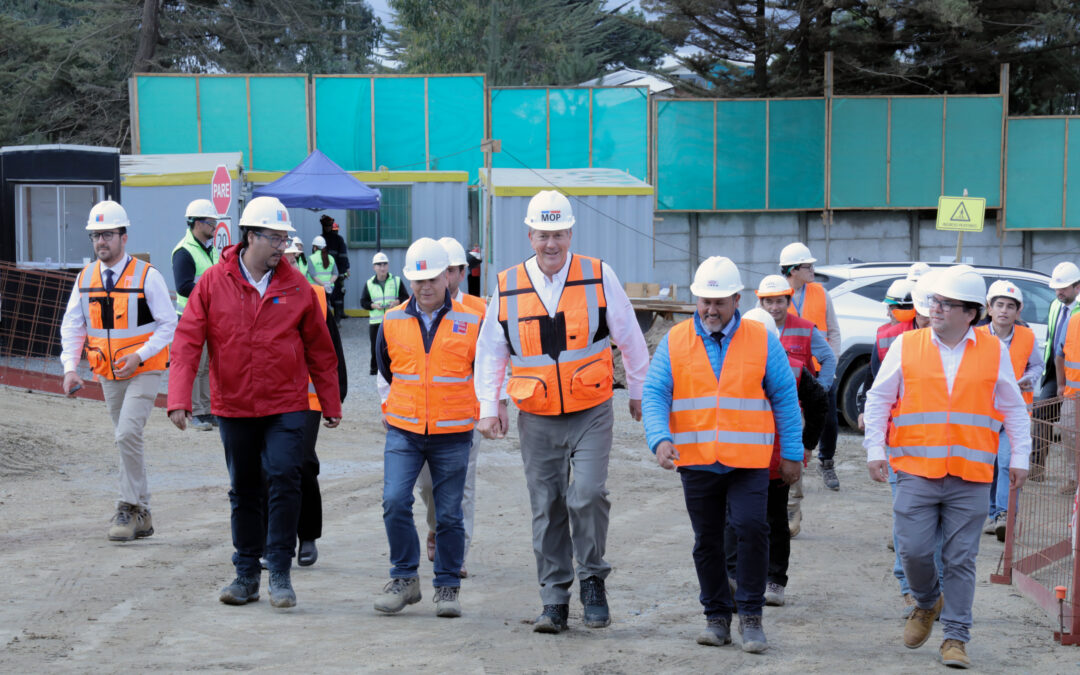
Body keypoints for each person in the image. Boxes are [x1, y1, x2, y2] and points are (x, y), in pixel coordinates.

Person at [474, 189, 650, 634]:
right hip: (536, 413)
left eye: (558, 233)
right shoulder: (507, 284)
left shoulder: (598, 275)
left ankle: (592, 578)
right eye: (542, 234)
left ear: (570, 232)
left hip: (591, 408)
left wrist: (639, 390)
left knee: (587, 494)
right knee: (547, 505)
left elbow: (628, 335)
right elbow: (491, 351)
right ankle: (554, 599)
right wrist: (489, 405)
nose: (550, 243)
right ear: (529, 234)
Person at [166, 196, 342, 610]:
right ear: (250, 236)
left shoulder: (297, 285)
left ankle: (279, 571)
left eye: (285, 239)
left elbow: (321, 349)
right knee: (244, 487)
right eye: (275, 238)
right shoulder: (212, 283)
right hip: (234, 404)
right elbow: (189, 341)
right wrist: (179, 398)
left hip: (286, 403)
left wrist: (330, 402)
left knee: (285, 475)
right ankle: (246, 574)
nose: (282, 247)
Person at [864, 265, 1031, 669]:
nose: (935, 309)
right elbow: (879, 398)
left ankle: (956, 637)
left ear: (971, 313)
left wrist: (1021, 457)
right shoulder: (908, 345)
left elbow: (1013, 407)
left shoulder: (994, 351)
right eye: (934, 302)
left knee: (960, 560)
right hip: (916, 471)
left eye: (945, 304)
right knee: (914, 552)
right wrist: (874, 449)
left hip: (971, 476)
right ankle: (925, 602)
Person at [642, 257, 801, 652]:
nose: (711, 309)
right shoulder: (676, 339)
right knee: (708, 541)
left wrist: (793, 452)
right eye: (704, 301)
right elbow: (655, 392)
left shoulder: (761, 339)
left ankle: (750, 616)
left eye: (719, 302)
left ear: (736, 299)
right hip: (696, 459)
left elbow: (784, 396)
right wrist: (659, 438)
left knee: (751, 528)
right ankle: (716, 617)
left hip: (748, 461)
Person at [372, 237, 481, 619]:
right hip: (404, 429)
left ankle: (447, 586)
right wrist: (392, 407)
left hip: (453, 433)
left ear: (446, 277)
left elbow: (483, 374)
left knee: (449, 513)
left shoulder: (472, 321)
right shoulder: (392, 320)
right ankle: (404, 578)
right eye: (418, 281)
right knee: (395, 501)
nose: (425, 287)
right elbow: (386, 370)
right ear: (409, 281)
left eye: (433, 278)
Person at [60, 200, 177, 542]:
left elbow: (169, 324)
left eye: (108, 235)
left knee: (126, 434)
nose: (101, 242)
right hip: (107, 373)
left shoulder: (146, 276)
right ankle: (143, 512)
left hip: (145, 369)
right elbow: (73, 326)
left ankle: (126, 506)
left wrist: (140, 355)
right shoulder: (85, 279)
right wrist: (70, 368)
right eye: (96, 236)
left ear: (124, 237)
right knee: (127, 440)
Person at [724, 307, 826, 609]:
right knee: (735, 521)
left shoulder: (793, 368)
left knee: (773, 520)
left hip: (774, 462)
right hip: (738, 459)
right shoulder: (727, 364)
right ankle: (734, 578)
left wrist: (806, 446)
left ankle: (774, 580)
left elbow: (819, 401)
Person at [415, 236, 495, 576]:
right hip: (423, 417)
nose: (445, 278)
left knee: (463, 484)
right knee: (426, 484)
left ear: (463, 273)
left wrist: (492, 406)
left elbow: (492, 360)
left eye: (452, 270)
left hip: (465, 415)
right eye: (441, 270)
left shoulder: (479, 311)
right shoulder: (417, 305)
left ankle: (456, 551)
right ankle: (436, 524)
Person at [278, 239, 349, 567]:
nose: (289, 262)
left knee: (302, 461)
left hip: (307, 396)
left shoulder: (316, 296)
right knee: (271, 466)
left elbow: (332, 350)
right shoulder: (259, 293)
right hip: (268, 395)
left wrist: (336, 396)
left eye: (293, 257)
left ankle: (307, 535)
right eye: (284, 257)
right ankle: (276, 540)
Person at [755, 274, 836, 538]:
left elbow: (828, 359)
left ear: (788, 301)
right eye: (769, 302)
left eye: (779, 301)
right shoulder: (753, 326)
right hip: (760, 413)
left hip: (795, 409)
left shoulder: (804, 328)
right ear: (761, 303)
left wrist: (819, 391)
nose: (774, 307)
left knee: (792, 459)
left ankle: (792, 508)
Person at [978, 281, 1039, 541]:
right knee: (988, 466)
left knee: (1005, 463)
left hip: (1014, 414)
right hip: (983, 414)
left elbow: (1036, 366)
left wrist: (1028, 379)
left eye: (1010, 306)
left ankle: (1003, 514)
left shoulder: (1027, 336)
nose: (1004, 311)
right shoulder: (977, 336)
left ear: (1019, 310)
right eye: (999, 305)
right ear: (989, 308)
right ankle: (992, 514)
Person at [780, 242, 842, 491]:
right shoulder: (774, 295)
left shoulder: (820, 293)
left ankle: (826, 462)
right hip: (789, 372)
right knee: (789, 417)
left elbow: (833, 331)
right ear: (793, 270)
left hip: (821, 370)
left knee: (828, 420)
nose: (813, 269)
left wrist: (831, 368)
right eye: (808, 266)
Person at [171, 198, 221, 431]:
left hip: (208, 315)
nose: (214, 226)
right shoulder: (184, 251)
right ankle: (197, 412)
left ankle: (207, 410)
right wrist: (212, 294)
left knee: (207, 367)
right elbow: (183, 286)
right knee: (197, 366)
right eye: (211, 222)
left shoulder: (207, 250)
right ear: (197, 223)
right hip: (191, 318)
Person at [361, 251, 409, 376]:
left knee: (394, 345)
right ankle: (375, 370)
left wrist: (398, 301)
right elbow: (363, 302)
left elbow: (406, 298)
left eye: (384, 264)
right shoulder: (369, 283)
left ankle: (394, 368)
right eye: (379, 265)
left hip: (393, 321)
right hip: (376, 322)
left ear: (388, 266)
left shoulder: (396, 281)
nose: (382, 267)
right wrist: (372, 305)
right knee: (375, 347)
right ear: (374, 267)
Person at [319, 214, 351, 319]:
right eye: (326, 225)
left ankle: (338, 318)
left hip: (337, 273)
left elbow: (343, 256)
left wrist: (345, 270)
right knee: (325, 296)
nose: (328, 227)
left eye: (329, 225)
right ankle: (326, 318)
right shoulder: (320, 240)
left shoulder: (338, 239)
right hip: (324, 274)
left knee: (339, 295)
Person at [308, 236, 338, 308]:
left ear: (315, 247)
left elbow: (313, 275)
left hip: (316, 288)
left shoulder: (311, 258)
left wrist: (323, 285)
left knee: (318, 308)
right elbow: (335, 274)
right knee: (326, 306)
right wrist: (328, 284)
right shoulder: (331, 258)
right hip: (329, 288)